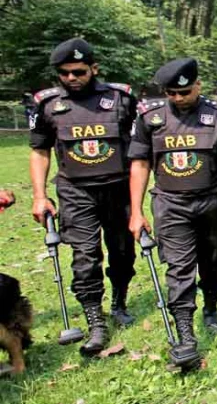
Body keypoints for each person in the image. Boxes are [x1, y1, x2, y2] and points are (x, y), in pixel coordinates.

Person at [127, 58, 217, 368]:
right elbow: (140, 163)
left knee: (213, 259)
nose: (177, 98)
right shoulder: (149, 118)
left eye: (183, 92)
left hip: (212, 201)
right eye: (171, 93)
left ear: (198, 85)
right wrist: (136, 211)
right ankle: (185, 333)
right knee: (179, 267)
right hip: (170, 204)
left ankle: (211, 307)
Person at [29, 38, 138, 356]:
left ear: (94, 68)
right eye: (63, 73)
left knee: (122, 252)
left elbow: (142, 146)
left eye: (78, 71)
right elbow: (39, 151)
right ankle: (95, 320)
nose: (71, 78)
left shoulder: (121, 99)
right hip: (75, 192)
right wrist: (39, 196)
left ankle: (119, 301)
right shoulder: (48, 105)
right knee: (85, 257)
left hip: (119, 188)